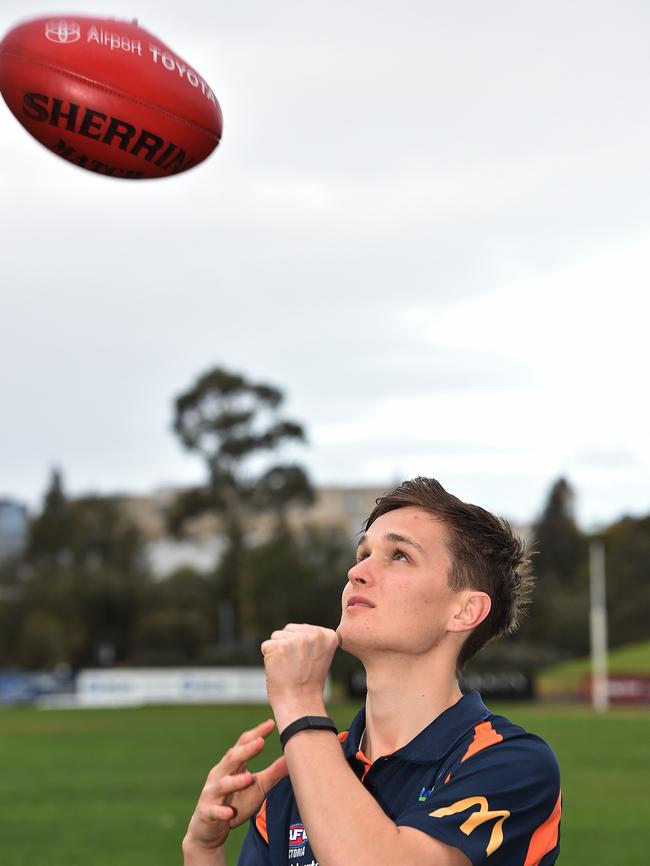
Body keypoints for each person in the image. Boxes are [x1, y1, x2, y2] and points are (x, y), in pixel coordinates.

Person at [183, 477, 561, 866]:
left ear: (464, 611)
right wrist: (203, 849)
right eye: (362, 553)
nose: (357, 572)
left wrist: (299, 704)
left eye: (399, 555)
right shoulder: (300, 777)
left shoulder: (512, 764)